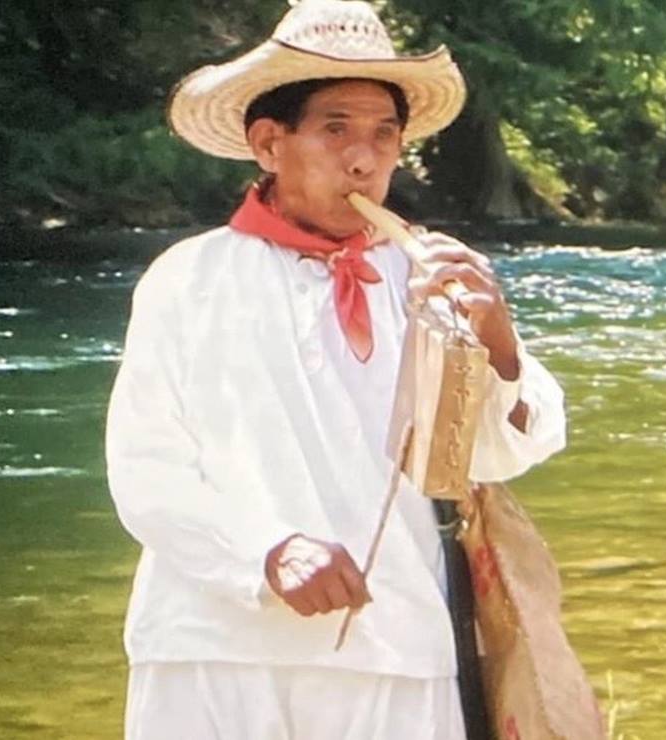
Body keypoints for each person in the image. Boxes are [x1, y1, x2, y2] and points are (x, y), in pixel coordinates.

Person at [104, 1, 566, 738]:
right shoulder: (187, 279)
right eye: (336, 129)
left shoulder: (430, 280)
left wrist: (500, 344)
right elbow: (145, 468)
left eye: (385, 135)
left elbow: (492, 456)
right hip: (210, 647)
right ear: (268, 143)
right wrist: (268, 552)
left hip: (397, 646)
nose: (364, 159)